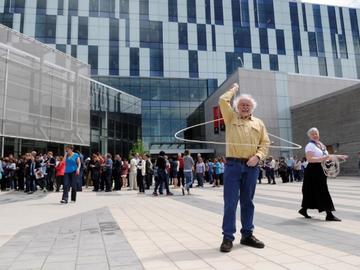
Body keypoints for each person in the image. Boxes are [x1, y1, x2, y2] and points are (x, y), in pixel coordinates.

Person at [219, 83, 270, 252]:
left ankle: (247, 235)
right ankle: (228, 237)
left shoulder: (259, 123)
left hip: (251, 167)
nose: (245, 107)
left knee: (248, 202)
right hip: (233, 165)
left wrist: (258, 157)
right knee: (230, 203)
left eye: (248, 105)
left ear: (252, 107)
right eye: (242, 104)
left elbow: (265, 143)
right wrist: (234, 89)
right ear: (237, 107)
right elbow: (222, 99)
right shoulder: (230, 117)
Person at [298, 127, 347, 221]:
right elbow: (310, 159)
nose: (315, 135)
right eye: (312, 134)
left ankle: (303, 209)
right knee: (323, 190)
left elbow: (327, 156)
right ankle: (329, 214)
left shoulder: (321, 145)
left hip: (320, 169)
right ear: (309, 136)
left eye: (316, 133)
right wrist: (324, 158)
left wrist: (338, 156)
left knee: (311, 191)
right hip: (313, 170)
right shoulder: (310, 146)